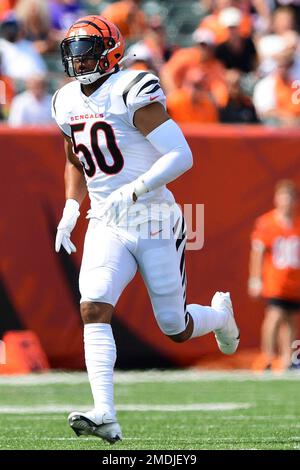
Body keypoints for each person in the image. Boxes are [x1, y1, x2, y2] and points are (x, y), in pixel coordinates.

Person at [52, 15, 239, 444]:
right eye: (73, 53)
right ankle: (105, 414)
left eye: (86, 52)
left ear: (110, 53)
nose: (78, 62)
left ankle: (220, 317)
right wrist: (68, 207)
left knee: (173, 325)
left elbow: (181, 155)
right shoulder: (64, 100)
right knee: (93, 307)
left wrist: (133, 191)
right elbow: (74, 159)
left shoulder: (130, 88)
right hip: (105, 220)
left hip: (153, 217)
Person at [248, 180, 300, 371]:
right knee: (275, 316)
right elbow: (258, 252)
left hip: (295, 282)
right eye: (283, 196)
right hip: (275, 281)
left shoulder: (297, 223)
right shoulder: (267, 222)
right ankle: (267, 355)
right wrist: (255, 278)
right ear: (277, 199)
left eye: (290, 197)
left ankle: (288, 359)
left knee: (292, 319)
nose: (287, 201)